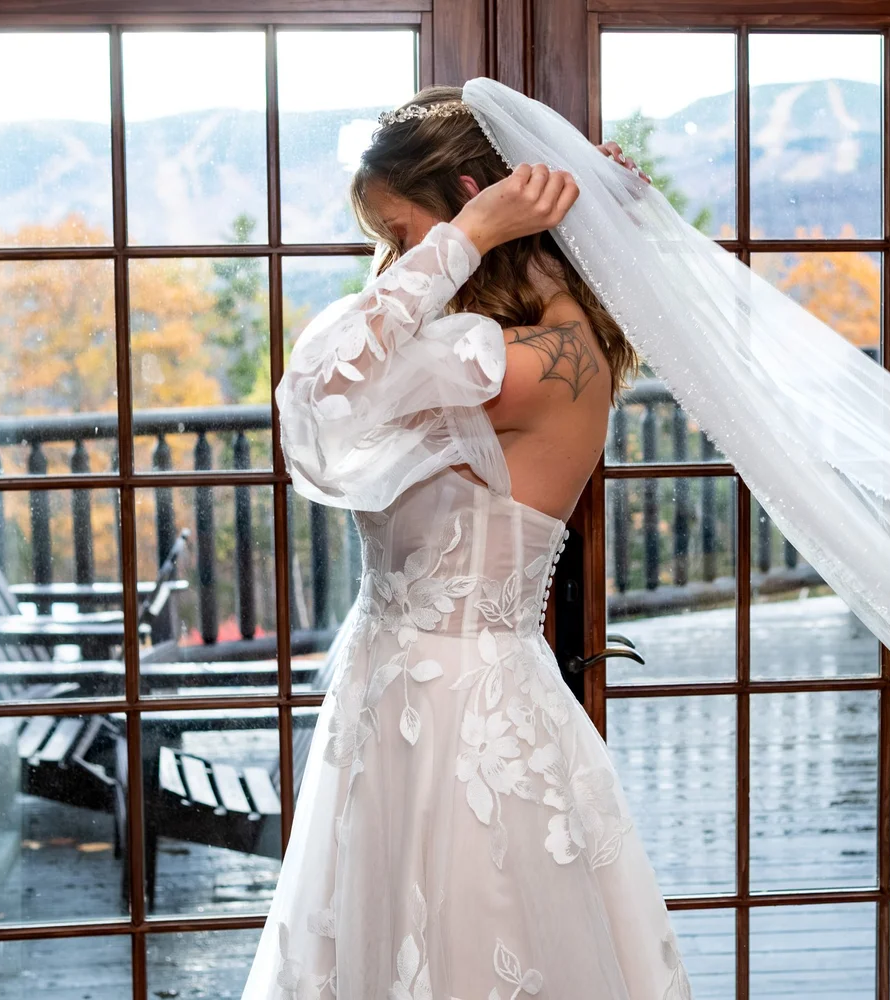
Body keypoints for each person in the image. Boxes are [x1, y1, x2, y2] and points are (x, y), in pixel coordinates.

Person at [242, 87, 693, 999]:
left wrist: (465, 237)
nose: (393, 267)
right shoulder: (490, 345)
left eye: (402, 237)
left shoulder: (530, 364)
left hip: (461, 722)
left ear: (470, 198)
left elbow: (323, 396)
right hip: (393, 704)